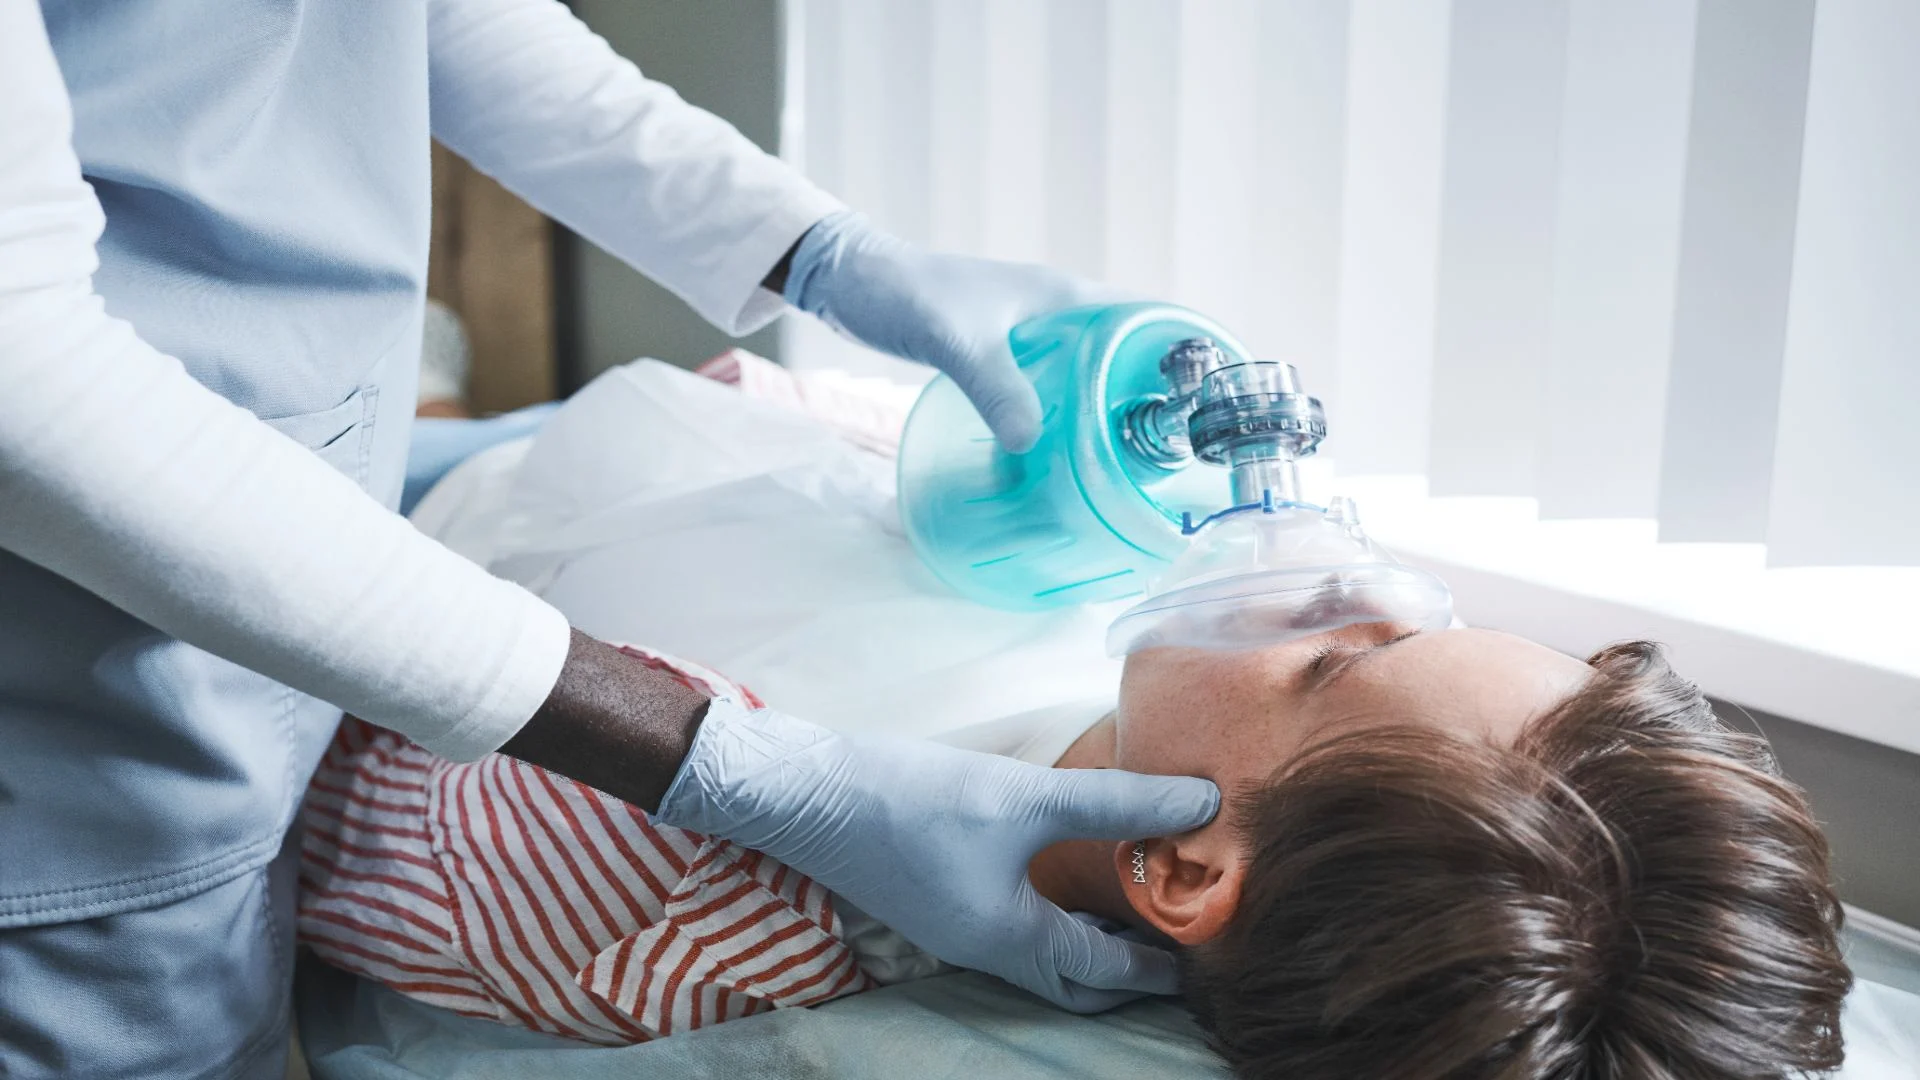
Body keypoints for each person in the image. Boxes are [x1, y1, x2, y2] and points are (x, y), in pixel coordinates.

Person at [0, 3, 1216, 1077]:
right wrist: (733, 774)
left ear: (1188, 871)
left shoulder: (734, 914)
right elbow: (27, 386)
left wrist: (821, 252)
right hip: (79, 651)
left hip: (303, 463)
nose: (1355, 595)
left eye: (1351, 655)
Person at [303, 361, 1850, 1076]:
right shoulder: (1147, 654)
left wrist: (715, 767)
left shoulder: (676, 894)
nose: (1350, 570)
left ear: (1186, 872)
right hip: (596, 428)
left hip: (348, 494)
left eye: (1336, 657)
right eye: (1440, 616)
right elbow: (796, 466)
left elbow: (312, 689)